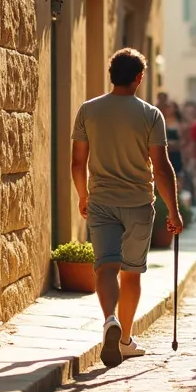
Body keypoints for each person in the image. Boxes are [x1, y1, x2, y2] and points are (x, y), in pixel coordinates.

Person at [70, 48, 184, 368]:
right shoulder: (150, 115)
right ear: (139, 77)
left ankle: (109, 319)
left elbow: (78, 162)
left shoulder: (89, 111)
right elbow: (161, 169)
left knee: (105, 267)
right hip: (137, 203)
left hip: (101, 201)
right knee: (131, 272)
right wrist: (173, 212)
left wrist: (83, 195)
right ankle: (124, 340)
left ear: (111, 74)